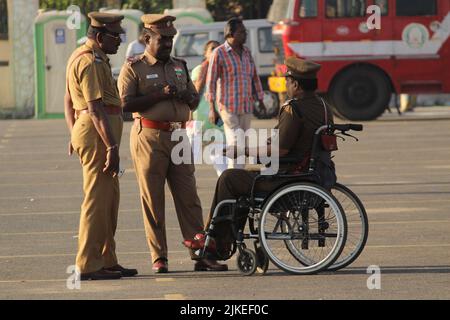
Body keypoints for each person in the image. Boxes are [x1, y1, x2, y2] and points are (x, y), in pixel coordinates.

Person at [184, 57, 335, 263]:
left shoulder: (294, 109)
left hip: (289, 178)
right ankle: (222, 239)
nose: (286, 86)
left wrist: (243, 150)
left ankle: (215, 240)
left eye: (287, 82)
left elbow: (279, 150)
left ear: (296, 84)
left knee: (229, 178)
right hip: (317, 174)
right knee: (244, 178)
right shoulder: (323, 107)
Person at [117, 14, 228, 273]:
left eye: (170, 38)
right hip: (149, 136)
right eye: (162, 39)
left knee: (189, 197)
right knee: (153, 200)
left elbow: (192, 101)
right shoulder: (134, 67)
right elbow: (125, 104)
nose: (168, 43)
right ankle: (159, 257)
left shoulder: (179, 65)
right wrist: (159, 95)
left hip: (179, 135)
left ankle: (200, 254)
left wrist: (188, 95)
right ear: (147, 38)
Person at [64, 12, 138, 281]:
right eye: (114, 36)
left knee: (109, 201)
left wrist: (72, 133)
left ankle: (106, 258)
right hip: (98, 137)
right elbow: (94, 109)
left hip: (94, 133)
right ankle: (87, 264)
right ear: (98, 36)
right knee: (96, 201)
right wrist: (111, 148)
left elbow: (68, 99)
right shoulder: (90, 62)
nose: (119, 40)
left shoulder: (88, 57)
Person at [205, 17, 267, 170]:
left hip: (246, 106)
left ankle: (237, 176)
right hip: (228, 107)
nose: (245, 35)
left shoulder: (247, 53)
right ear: (230, 34)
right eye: (241, 32)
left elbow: (254, 77)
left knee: (243, 144)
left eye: (244, 32)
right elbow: (211, 82)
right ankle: (233, 179)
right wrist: (212, 108)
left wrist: (260, 99)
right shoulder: (218, 53)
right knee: (236, 143)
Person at [186, 40, 228, 176]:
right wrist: (188, 116)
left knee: (222, 162)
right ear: (205, 53)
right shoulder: (199, 70)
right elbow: (192, 94)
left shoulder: (224, 71)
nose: (215, 51)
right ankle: (186, 187)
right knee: (188, 160)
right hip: (198, 122)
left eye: (218, 48)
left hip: (217, 123)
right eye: (212, 49)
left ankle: (227, 188)